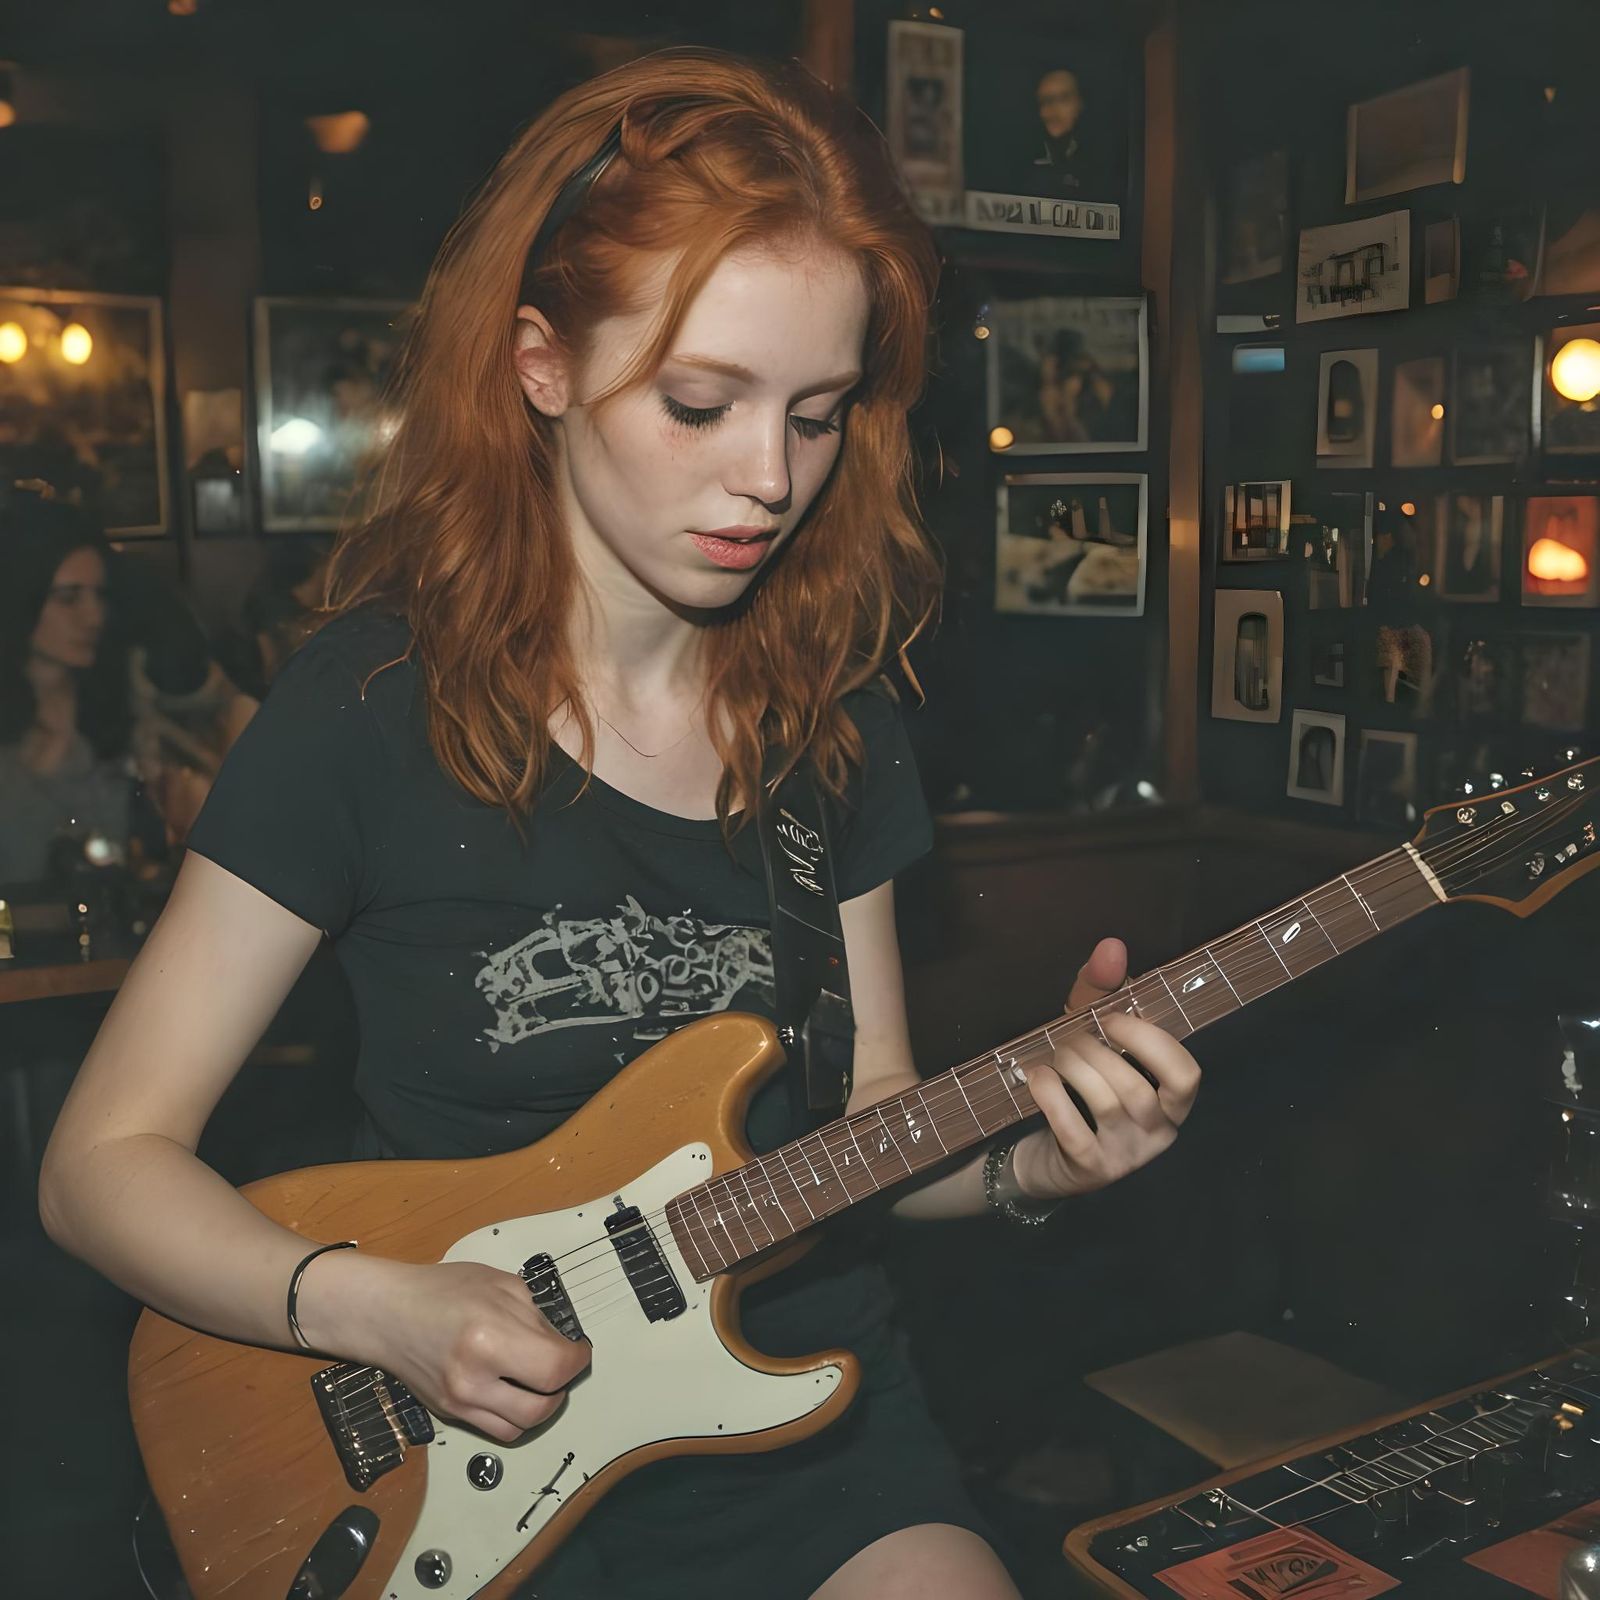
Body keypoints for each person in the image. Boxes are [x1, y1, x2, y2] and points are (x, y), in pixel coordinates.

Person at [37, 49, 1202, 1600]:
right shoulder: (369, 710)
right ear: (543, 367)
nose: (769, 477)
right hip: (459, 1445)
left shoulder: (833, 732)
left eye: (819, 413)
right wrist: (376, 1307)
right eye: (702, 404)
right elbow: (101, 1164)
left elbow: (865, 1127)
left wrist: (1025, 1171)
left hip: (806, 1418)